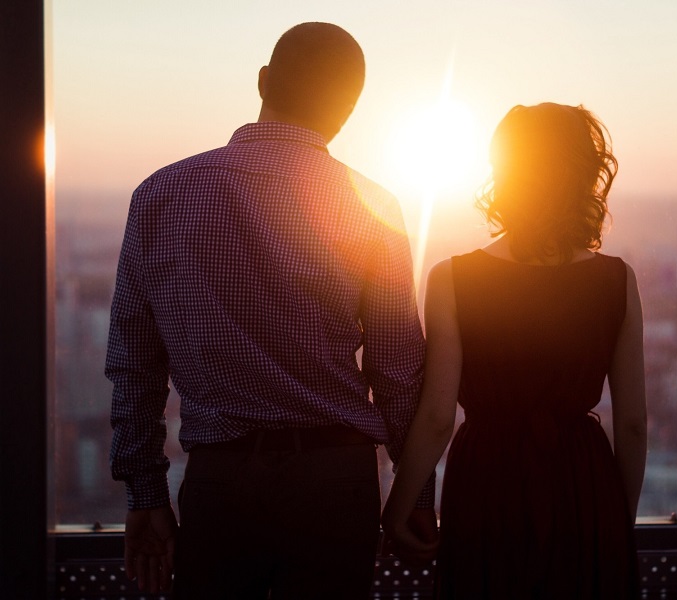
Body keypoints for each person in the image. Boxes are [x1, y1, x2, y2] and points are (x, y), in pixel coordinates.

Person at [105, 22, 436, 599]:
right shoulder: (370, 207)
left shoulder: (160, 194)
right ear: (348, 109)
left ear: (263, 80)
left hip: (221, 483)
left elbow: (134, 362)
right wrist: (414, 500)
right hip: (336, 486)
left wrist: (145, 494)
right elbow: (398, 374)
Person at [382, 102, 647, 598]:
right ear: (585, 176)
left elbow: (439, 415)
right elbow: (632, 423)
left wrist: (398, 509)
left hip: (489, 478)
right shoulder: (617, 280)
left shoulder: (452, 277)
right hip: (581, 481)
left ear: (503, 174)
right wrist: (614, 517)